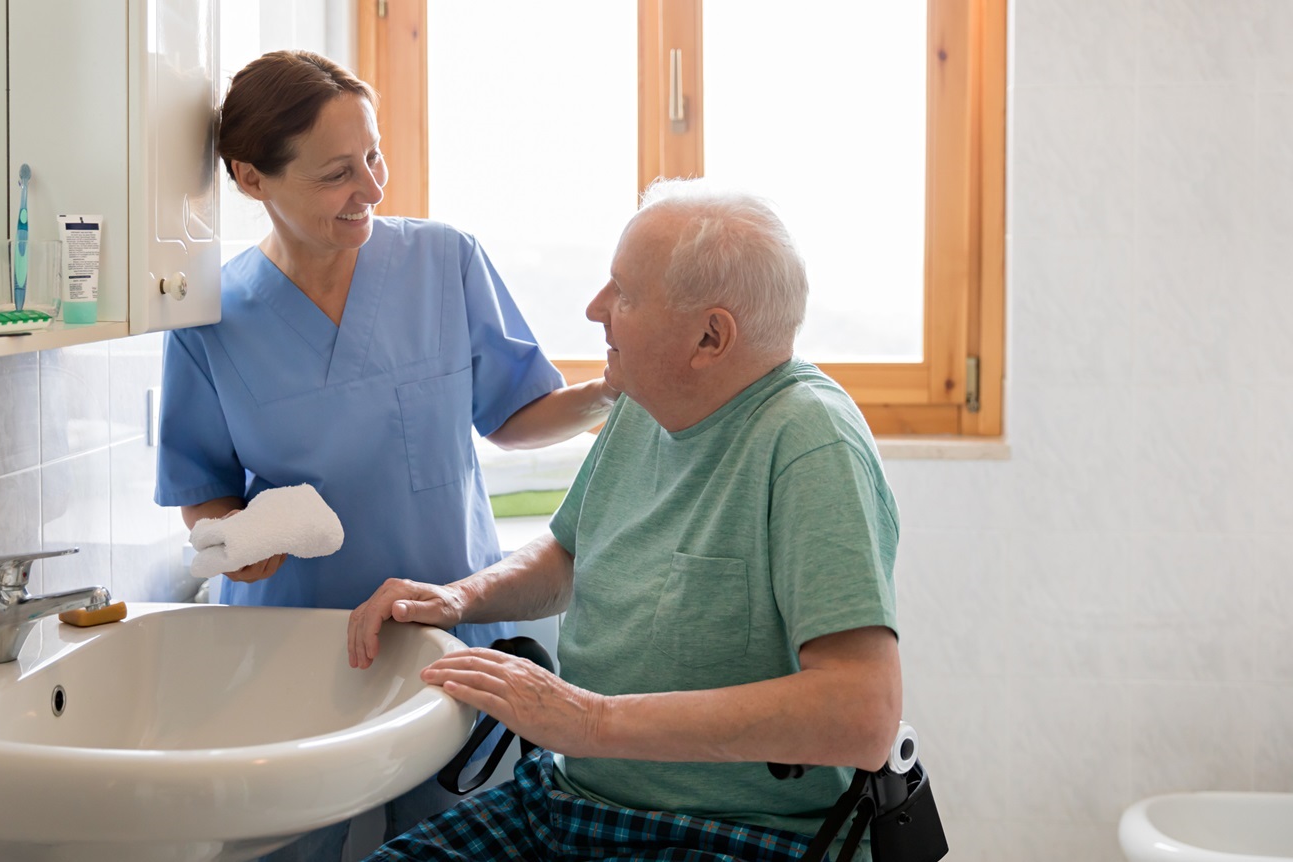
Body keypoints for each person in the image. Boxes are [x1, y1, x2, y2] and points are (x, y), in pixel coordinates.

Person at [347, 178, 903, 862]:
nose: (595, 308)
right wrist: (459, 598)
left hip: (737, 833)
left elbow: (860, 716)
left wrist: (589, 719)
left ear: (709, 337)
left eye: (625, 294)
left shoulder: (810, 442)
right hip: (569, 802)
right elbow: (568, 556)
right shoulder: (646, 400)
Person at [153, 50, 616, 861]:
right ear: (254, 179)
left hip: (448, 638)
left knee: (463, 845)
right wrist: (236, 541)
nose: (371, 187)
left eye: (374, 157)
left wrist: (614, 391)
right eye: (338, 173)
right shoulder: (211, 318)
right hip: (294, 654)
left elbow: (513, 415)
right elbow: (206, 492)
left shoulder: (445, 262)